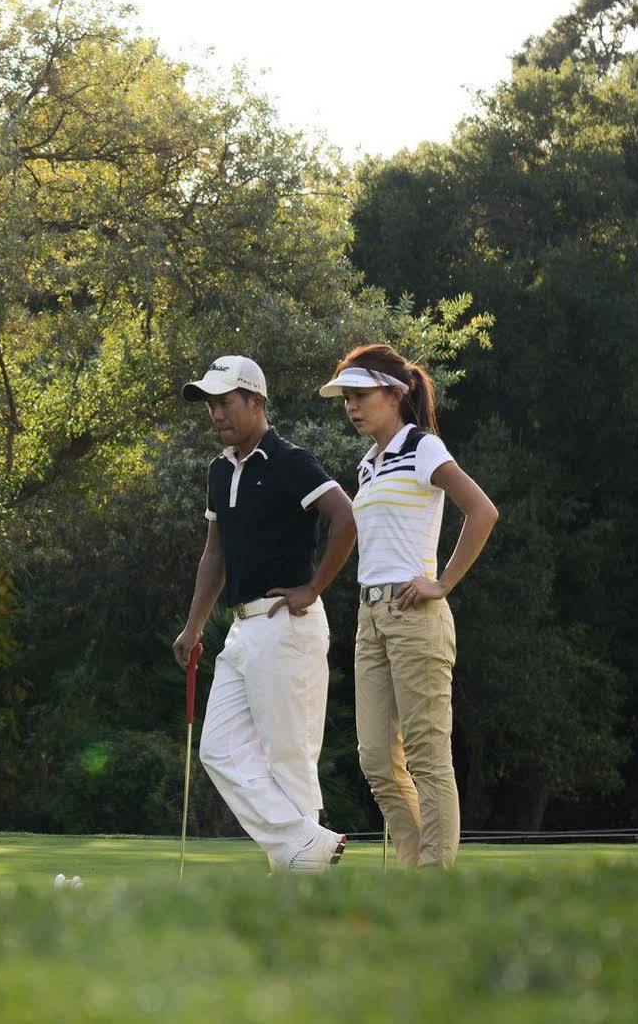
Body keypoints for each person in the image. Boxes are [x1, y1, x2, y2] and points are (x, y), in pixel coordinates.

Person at [173, 355, 357, 871]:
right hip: (241, 630)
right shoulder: (218, 469)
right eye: (210, 405)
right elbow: (215, 555)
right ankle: (307, 846)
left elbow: (345, 518)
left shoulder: (291, 461)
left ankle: (302, 875)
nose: (216, 414)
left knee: (289, 758)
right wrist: (193, 626)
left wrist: (314, 587)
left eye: (225, 402)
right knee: (218, 748)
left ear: (256, 400)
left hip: (287, 625)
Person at [320, 344, 499, 869]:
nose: (352, 406)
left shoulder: (422, 447)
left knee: (426, 758)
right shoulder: (368, 465)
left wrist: (441, 583)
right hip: (369, 618)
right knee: (376, 759)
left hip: (414, 615)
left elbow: (481, 511)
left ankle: (433, 882)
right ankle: (416, 871)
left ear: (396, 393)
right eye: (346, 398)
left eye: (361, 395)